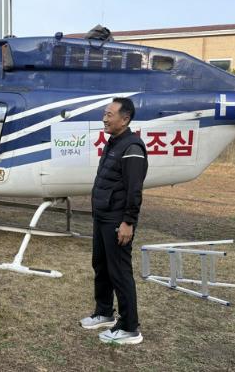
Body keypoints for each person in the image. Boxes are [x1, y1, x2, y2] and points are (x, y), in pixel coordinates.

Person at [79, 97, 148, 345]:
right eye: (105, 114)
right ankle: (104, 312)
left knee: (119, 272)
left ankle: (129, 327)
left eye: (109, 114)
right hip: (102, 216)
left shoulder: (132, 147)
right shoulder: (114, 142)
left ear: (125, 119)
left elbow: (134, 189)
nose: (104, 119)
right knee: (101, 265)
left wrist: (128, 222)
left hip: (117, 220)